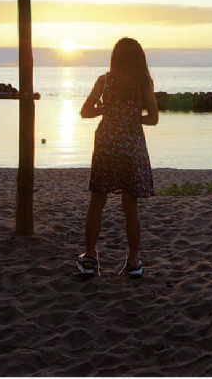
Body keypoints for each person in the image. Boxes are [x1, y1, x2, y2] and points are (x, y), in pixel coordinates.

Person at [77, 37, 159, 278]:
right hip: (132, 144)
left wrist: (107, 111)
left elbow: (85, 112)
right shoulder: (144, 82)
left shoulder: (104, 81)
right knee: (130, 206)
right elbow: (153, 119)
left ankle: (90, 258)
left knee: (97, 202)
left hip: (107, 144)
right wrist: (132, 118)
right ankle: (133, 262)